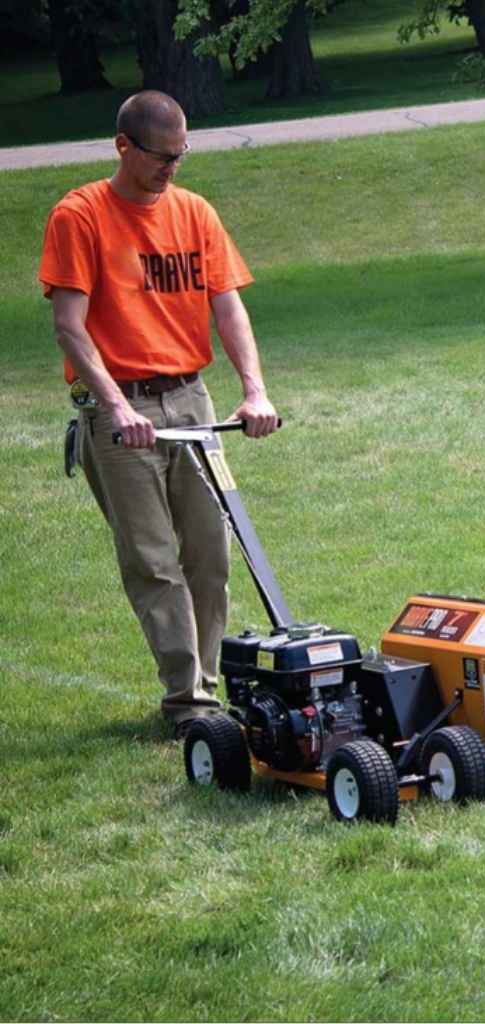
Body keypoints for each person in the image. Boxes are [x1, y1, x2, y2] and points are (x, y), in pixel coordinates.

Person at [39, 90, 279, 738]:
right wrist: (115, 404)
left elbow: (227, 306)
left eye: (180, 156)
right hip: (121, 411)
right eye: (161, 157)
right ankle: (189, 701)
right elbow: (69, 327)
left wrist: (254, 391)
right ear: (124, 146)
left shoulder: (195, 212)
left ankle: (209, 690)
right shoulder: (80, 215)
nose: (172, 169)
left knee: (211, 553)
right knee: (153, 560)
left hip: (191, 399)